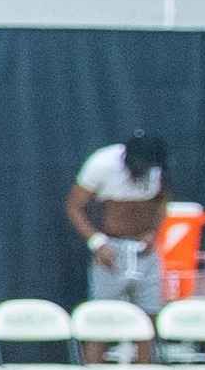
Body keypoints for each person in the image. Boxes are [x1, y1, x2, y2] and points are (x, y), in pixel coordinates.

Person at [70, 131, 172, 314]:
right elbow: (74, 206)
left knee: (150, 318)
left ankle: (147, 344)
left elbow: (163, 200)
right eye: (140, 167)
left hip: (145, 249)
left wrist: (154, 232)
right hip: (111, 249)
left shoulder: (157, 168)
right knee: (102, 318)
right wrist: (98, 243)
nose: (143, 171)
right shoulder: (102, 164)